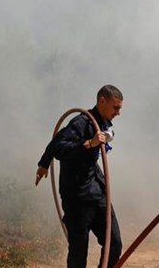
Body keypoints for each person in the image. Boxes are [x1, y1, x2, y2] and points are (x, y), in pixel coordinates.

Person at [36, 85, 124, 268]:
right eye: (115, 107)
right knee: (78, 254)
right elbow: (58, 146)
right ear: (102, 101)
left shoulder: (103, 124)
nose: (118, 113)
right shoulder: (81, 122)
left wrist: (44, 163)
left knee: (114, 244)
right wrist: (89, 144)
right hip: (77, 198)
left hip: (98, 194)